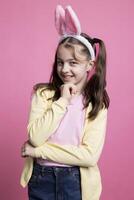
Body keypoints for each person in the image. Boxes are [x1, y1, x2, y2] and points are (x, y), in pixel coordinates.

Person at [20, 5, 110, 200]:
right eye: (60, 62)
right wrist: (62, 101)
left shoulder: (96, 103)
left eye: (73, 63)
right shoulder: (43, 94)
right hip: (41, 178)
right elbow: (35, 136)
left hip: (76, 181)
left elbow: (89, 156)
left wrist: (39, 151)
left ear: (89, 65)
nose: (65, 69)